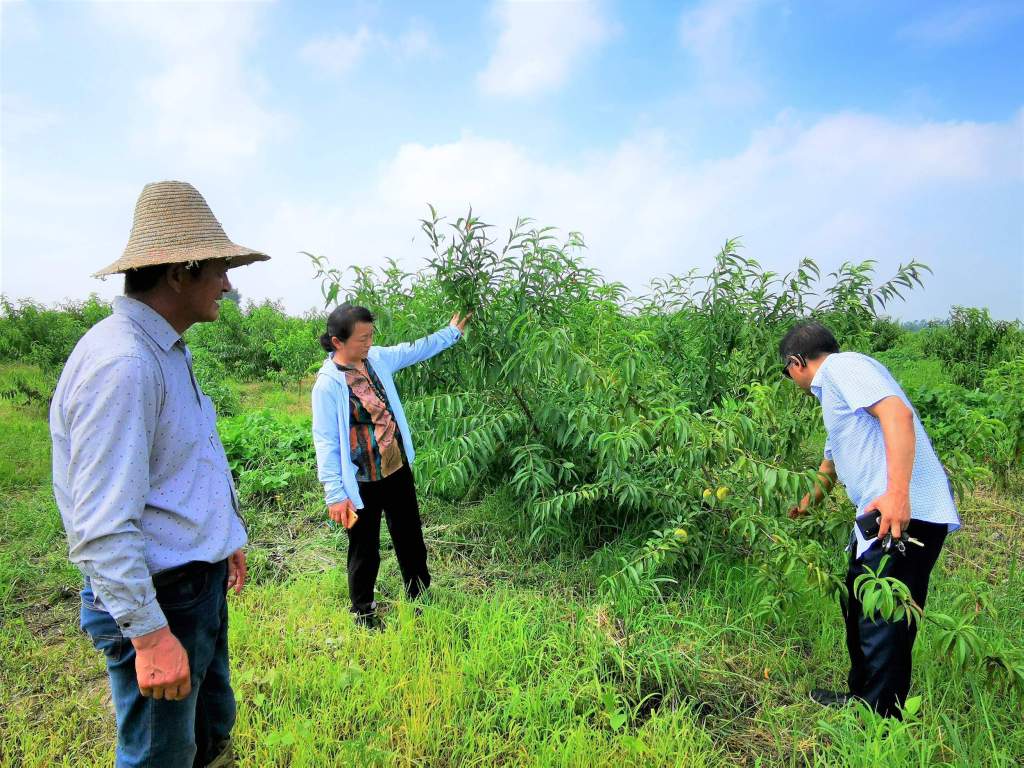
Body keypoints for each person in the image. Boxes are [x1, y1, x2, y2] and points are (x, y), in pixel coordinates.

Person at [50, 180, 270, 767]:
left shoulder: (164, 348)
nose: (228, 282)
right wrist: (149, 636)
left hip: (193, 584)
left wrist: (224, 538)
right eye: (219, 268)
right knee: (159, 756)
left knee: (207, 734)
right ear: (179, 273)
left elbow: (179, 465)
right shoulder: (124, 363)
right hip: (161, 598)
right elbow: (100, 523)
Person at [780, 320, 960, 718]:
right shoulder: (836, 394)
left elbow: (897, 414)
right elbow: (832, 457)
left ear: (796, 363)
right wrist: (810, 500)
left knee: (884, 621)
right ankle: (862, 699)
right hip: (878, 518)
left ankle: (880, 721)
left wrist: (897, 494)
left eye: (787, 372)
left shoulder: (843, 368)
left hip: (902, 514)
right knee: (861, 606)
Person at [311, 303, 471, 628]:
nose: (368, 343)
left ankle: (419, 597)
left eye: (371, 336)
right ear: (337, 342)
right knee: (364, 548)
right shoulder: (328, 385)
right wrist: (334, 494)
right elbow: (325, 440)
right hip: (361, 481)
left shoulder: (377, 360)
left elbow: (415, 350)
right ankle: (364, 611)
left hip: (395, 468)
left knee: (410, 537)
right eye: (361, 338)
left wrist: (451, 333)